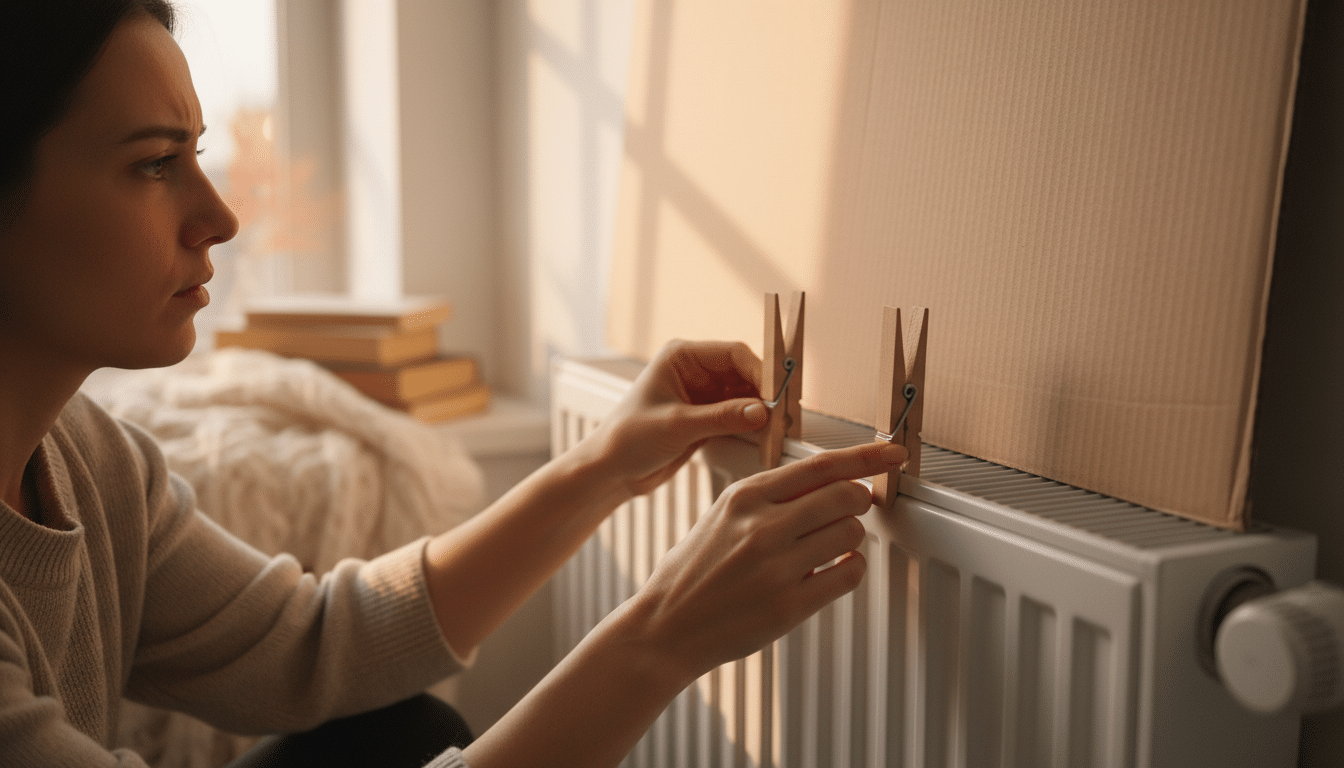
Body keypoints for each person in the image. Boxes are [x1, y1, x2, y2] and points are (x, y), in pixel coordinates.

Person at [0, 1, 908, 766]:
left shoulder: (90, 460)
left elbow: (311, 644)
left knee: (401, 733)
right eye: (155, 163)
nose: (222, 215)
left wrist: (604, 466)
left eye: (198, 154)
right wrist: (662, 637)